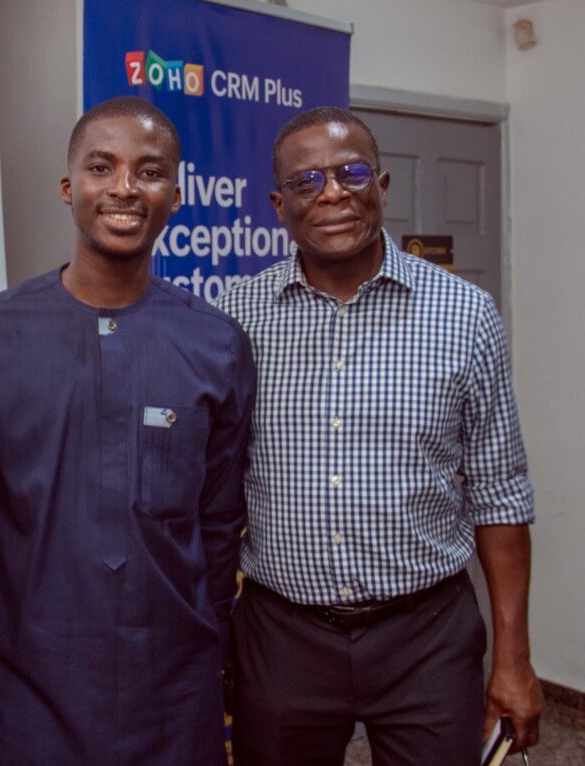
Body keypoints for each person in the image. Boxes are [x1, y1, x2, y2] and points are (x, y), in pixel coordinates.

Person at [215, 106, 542, 765]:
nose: (332, 192)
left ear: (383, 186)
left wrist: (514, 659)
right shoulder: (234, 317)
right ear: (279, 205)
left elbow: (501, 497)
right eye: (307, 182)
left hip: (427, 638)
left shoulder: (465, 315)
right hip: (283, 636)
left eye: (351, 172)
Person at [0, 96, 255, 765]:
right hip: (24, 683)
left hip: (172, 686)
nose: (123, 188)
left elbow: (218, 519)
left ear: (175, 194)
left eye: (148, 172)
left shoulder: (217, 344)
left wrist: (206, 645)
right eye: (101, 167)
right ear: (68, 187)